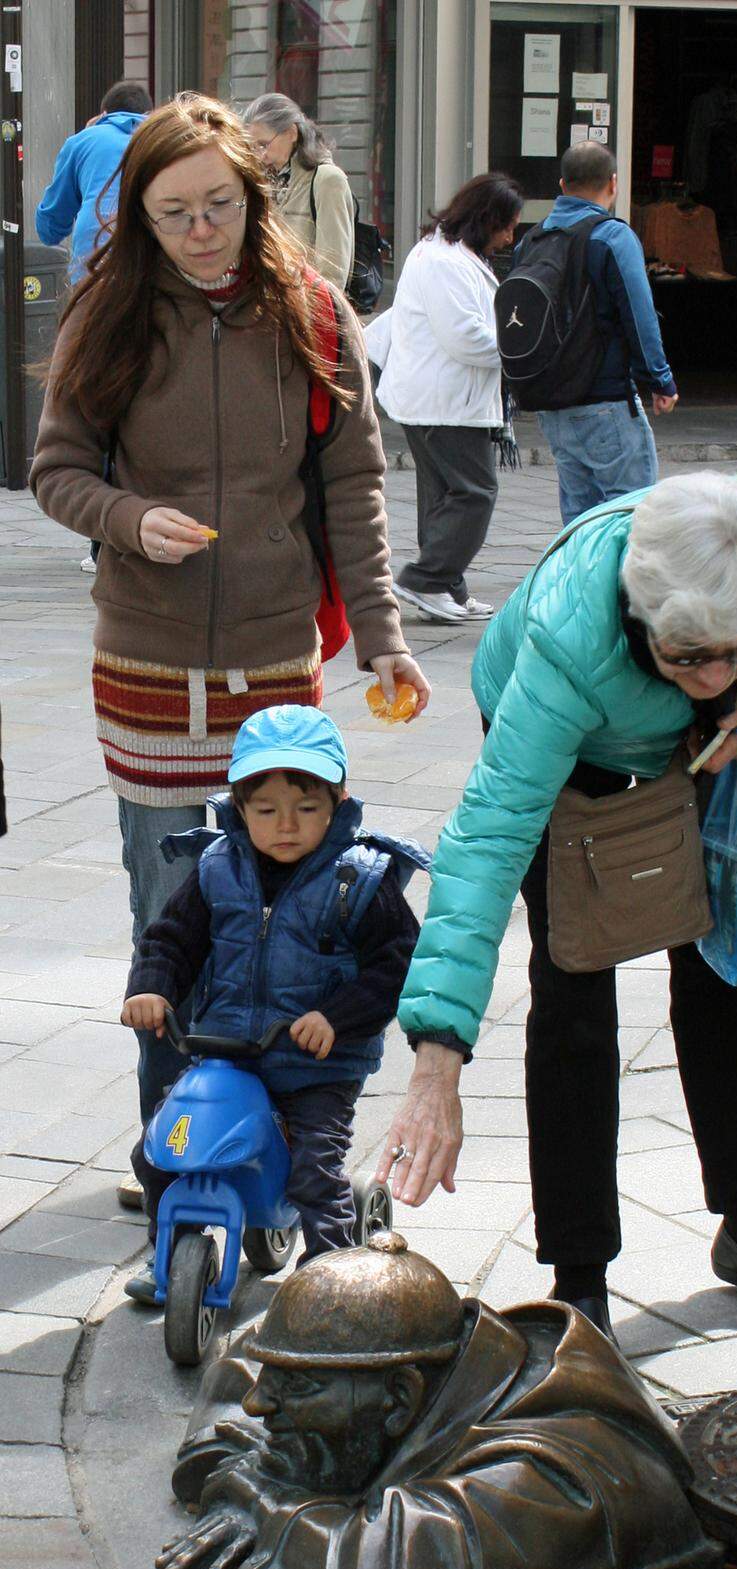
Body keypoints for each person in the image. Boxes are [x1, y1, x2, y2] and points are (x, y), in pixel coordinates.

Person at [30, 93, 428, 1178]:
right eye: (175, 214)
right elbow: (54, 470)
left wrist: (383, 633)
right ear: (141, 218)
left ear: (254, 196)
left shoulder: (310, 307)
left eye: (219, 205)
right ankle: (173, 1147)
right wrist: (127, 520)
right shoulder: (105, 312)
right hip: (148, 663)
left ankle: (278, 1139)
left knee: (288, 920)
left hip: (272, 667)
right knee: (172, 914)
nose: (202, 231)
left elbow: (354, 479)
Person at [378, 472, 737, 1344]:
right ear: (641, 613)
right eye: (690, 656)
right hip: (578, 748)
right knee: (573, 989)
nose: (713, 674)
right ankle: (579, 1278)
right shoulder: (569, 644)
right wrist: (436, 1061)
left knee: (733, 964)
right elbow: (483, 842)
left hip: (712, 743)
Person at [158, 1232, 726, 1569]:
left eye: (298, 1386)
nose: (260, 1404)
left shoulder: (547, 1478)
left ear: (401, 1398)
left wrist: (260, 1500)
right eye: (276, 1376)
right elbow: (232, 1378)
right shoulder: (449, 1369)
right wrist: (254, 1476)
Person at [119, 707, 424, 1300]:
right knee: (160, 1152)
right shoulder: (217, 868)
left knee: (313, 1170)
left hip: (315, 1065)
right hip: (226, 1053)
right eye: (266, 811)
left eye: (306, 808)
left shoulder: (358, 877)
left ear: (338, 800)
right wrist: (151, 987)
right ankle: (166, 1256)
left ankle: (331, 1282)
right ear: (238, 806)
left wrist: (337, 1018)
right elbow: (171, 938)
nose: (286, 825)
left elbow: (398, 964)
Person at [369, 172, 523, 624]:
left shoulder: (452, 255)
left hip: (440, 398)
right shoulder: (443, 261)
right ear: (485, 218)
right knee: (476, 493)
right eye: (507, 225)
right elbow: (466, 338)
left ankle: (446, 588)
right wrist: (521, 349)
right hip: (444, 400)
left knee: (444, 494)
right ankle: (427, 578)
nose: (511, 235)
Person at [532, 142, 678, 527]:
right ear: (613, 183)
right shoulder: (612, 237)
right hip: (606, 401)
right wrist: (659, 380)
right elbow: (639, 314)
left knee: (579, 522)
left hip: (552, 404)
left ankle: (582, 587)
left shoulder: (533, 241)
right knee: (631, 517)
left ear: (562, 184)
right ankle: (623, 589)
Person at [35, 80, 153, 283]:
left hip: (93, 257)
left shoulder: (82, 141)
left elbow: (51, 227)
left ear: (103, 114)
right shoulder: (158, 139)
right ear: (149, 114)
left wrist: (87, 135)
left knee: (92, 312)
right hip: (150, 255)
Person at [243, 93, 355, 291]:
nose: (260, 154)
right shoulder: (265, 181)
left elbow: (334, 272)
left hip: (310, 311)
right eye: (253, 148)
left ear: (292, 133)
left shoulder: (327, 180)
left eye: (264, 144)